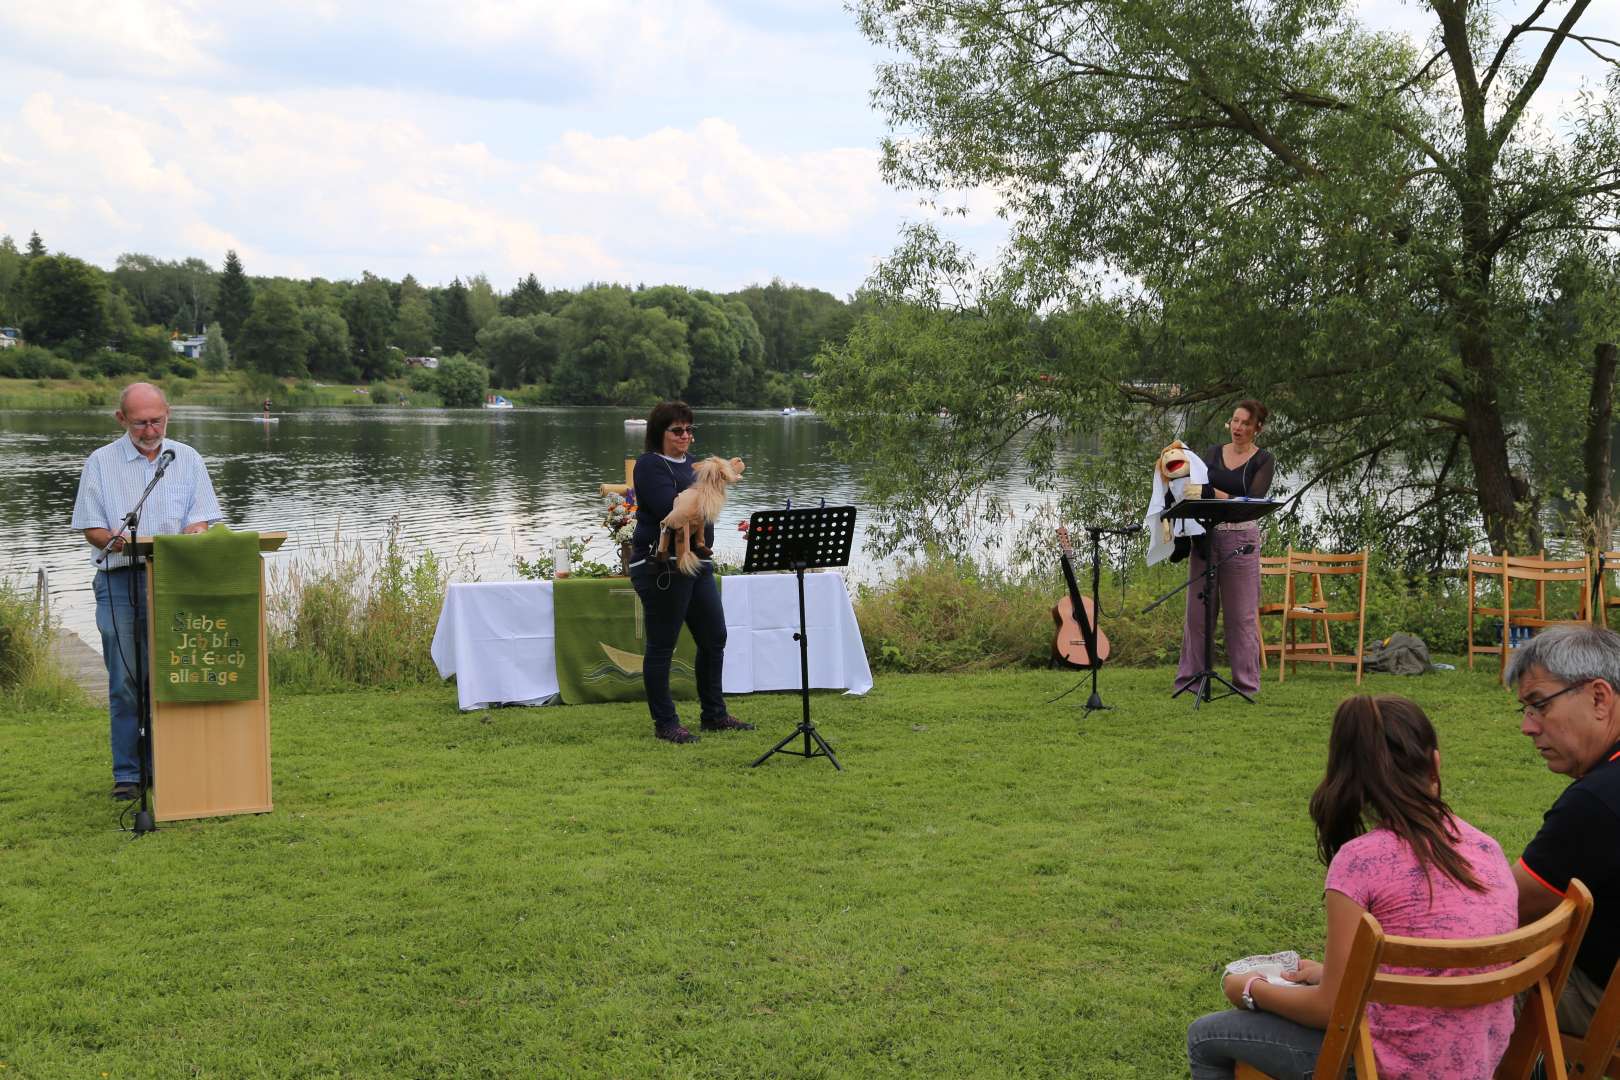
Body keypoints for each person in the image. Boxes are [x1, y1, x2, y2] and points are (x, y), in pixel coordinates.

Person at [1187, 695, 1519, 1078]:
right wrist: (1333, 975)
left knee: (1205, 1036)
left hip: (1384, 1065)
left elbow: (1329, 1011)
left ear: (1345, 776)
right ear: (1435, 763)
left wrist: (1251, 990)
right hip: (1478, 1059)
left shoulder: (1361, 862)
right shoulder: (1485, 848)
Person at [70, 383, 222, 799]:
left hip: (175, 580)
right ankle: (129, 774)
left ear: (168, 414)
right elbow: (90, 527)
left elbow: (203, 518)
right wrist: (116, 540)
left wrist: (196, 531)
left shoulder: (186, 458)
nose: (151, 430)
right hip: (119, 580)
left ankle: (170, 763)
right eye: (140, 423)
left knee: (171, 675)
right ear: (122, 419)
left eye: (157, 420)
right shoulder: (100, 463)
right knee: (125, 680)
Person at [1507, 623, 1620, 1038]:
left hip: (1604, 1001)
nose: (1528, 727)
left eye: (1540, 705)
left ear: (1598, 698)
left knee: (1476, 978)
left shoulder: (1599, 800)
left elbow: (1504, 908)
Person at [627, 401, 751, 744]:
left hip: (699, 561)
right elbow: (675, 511)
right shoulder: (650, 465)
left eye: (689, 430)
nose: (685, 436)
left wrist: (715, 474)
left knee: (715, 636)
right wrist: (714, 478)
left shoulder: (695, 469)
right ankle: (665, 723)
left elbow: (703, 506)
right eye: (677, 430)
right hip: (661, 564)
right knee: (662, 645)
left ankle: (714, 714)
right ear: (660, 433)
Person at [1175, 399, 1275, 698]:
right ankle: (1191, 679)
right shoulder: (1212, 453)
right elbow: (1194, 484)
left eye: (1245, 423)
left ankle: (1245, 684)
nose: (1238, 428)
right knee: (1198, 612)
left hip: (1241, 540)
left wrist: (1215, 492)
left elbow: (1254, 499)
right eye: (1235, 421)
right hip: (1206, 536)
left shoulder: (1263, 460)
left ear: (1258, 428)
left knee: (1240, 616)